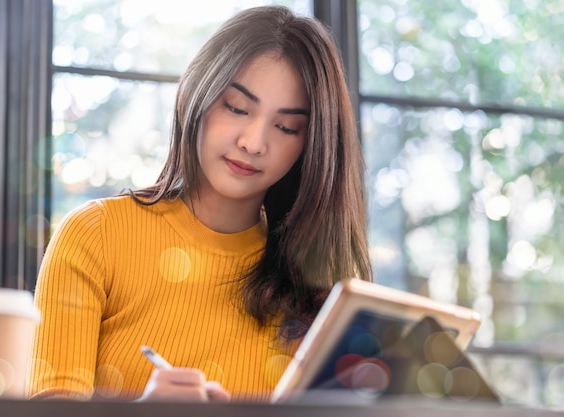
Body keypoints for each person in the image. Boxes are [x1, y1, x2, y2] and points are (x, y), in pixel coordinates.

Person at [27, 5, 372, 403]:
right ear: (197, 92)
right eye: (237, 108)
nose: (254, 142)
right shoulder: (96, 236)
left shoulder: (320, 293)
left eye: (286, 127)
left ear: (311, 145)